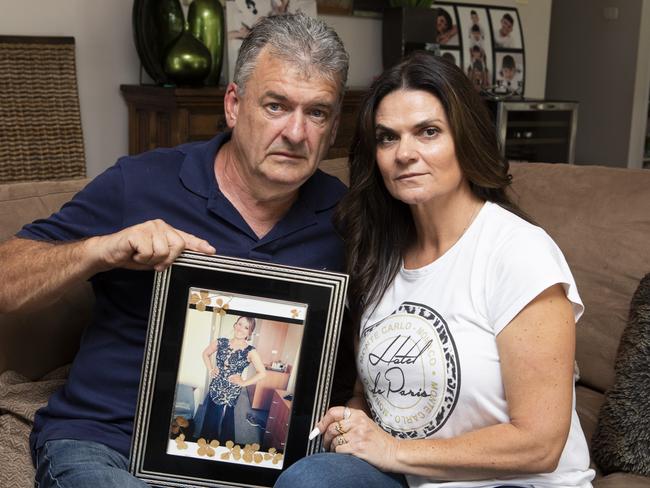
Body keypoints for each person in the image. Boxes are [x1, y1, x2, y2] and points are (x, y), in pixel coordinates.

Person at [0, 12, 349, 488]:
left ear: (333, 126)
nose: (295, 132)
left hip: (257, 463)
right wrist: (104, 248)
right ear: (233, 104)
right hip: (107, 446)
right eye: (275, 105)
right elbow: (6, 280)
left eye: (317, 112)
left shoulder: (349, 220)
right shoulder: (140, 183)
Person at [275, 52, 595, 488]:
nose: (405, 154)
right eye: (388, 138)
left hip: (519, 484)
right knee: (311, 479)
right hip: (412, 478)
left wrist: (392, 451)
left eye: (428, 132)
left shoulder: (518, 252)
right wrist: (352, 424)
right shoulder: (375, 255)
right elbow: (374, 399)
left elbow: (540, 443)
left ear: (465, 138)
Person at [200, 316, 266, 443]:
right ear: (235, 325)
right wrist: (211, 369)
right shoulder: (220, 342)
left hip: (231, 392)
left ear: (250, 332)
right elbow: (205, 353)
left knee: (223, 421)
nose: (241, 329)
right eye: (239, 324)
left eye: (246, 327)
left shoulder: (250, 351)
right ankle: (206, 445)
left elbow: (262, 373)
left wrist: (244, 382)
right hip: (215, 387)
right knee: (210, 417)